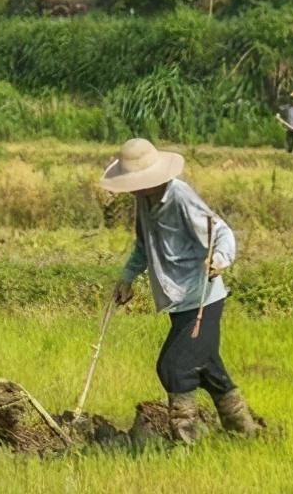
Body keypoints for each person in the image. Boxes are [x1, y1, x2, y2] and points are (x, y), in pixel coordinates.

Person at [101, 138, 262, 443]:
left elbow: (222, 231)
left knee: (173, 366)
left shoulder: (180, 196)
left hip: (201, 298)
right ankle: (245, 431)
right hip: (177, 300)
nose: (133, 188)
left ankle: (188, 441)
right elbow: (143, 246)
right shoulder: (143, 201)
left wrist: (220, 258)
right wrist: (127, 277)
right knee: (209, 370)